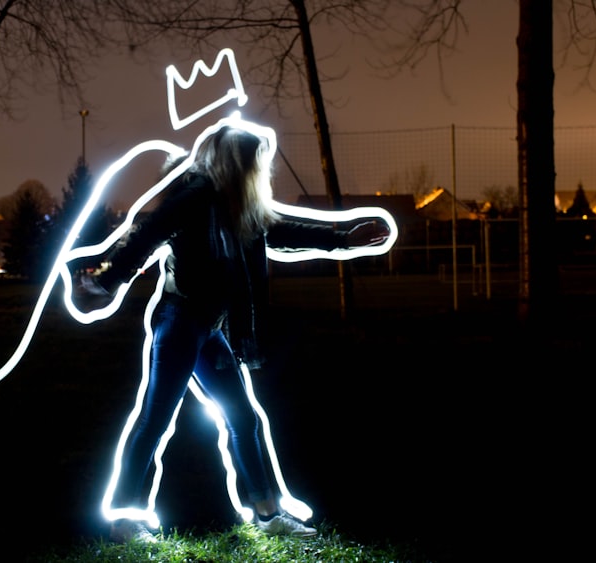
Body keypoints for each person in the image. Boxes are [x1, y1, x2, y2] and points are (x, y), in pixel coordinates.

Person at [77, 124, 390, 544]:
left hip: (208, 329)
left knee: (243, 417)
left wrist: (344, 240)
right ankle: (123, 519)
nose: (260, 171)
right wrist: (108, 280)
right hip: (179, 323)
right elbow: (147, 235)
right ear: (234, 164)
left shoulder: (237, 206)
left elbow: (281, 231)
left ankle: (267, 512)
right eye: (253, 162)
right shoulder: (195, 198)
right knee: (156, 419)